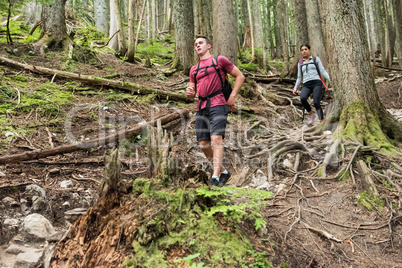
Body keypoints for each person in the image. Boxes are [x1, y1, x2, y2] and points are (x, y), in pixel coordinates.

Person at [186, 35, 245, 187]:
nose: (197, 46)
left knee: (216, 139)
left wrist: (232, 97)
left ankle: (215, 177)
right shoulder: (194, 69)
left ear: (209, 46)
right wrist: (190, 93)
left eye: (200, 43)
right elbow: (192, 90)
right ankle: (224, 172)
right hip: (201, 106)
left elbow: (240, 76)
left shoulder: (219, 60)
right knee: (203, 144)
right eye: (195, 44)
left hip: (218, 103)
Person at [293, 44, 330, 124]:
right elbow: (299, 77)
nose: (304, 51)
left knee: (316, 102)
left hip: (316, 83)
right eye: (302, 50)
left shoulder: (316, 59)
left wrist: (330, 80)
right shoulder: (300, 63)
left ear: (309, 50)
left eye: (306, 49)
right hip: (306, 84)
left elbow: (323, 71)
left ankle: (321, 120)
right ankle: (311, 114)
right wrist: (295, 88)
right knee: (302, 98)